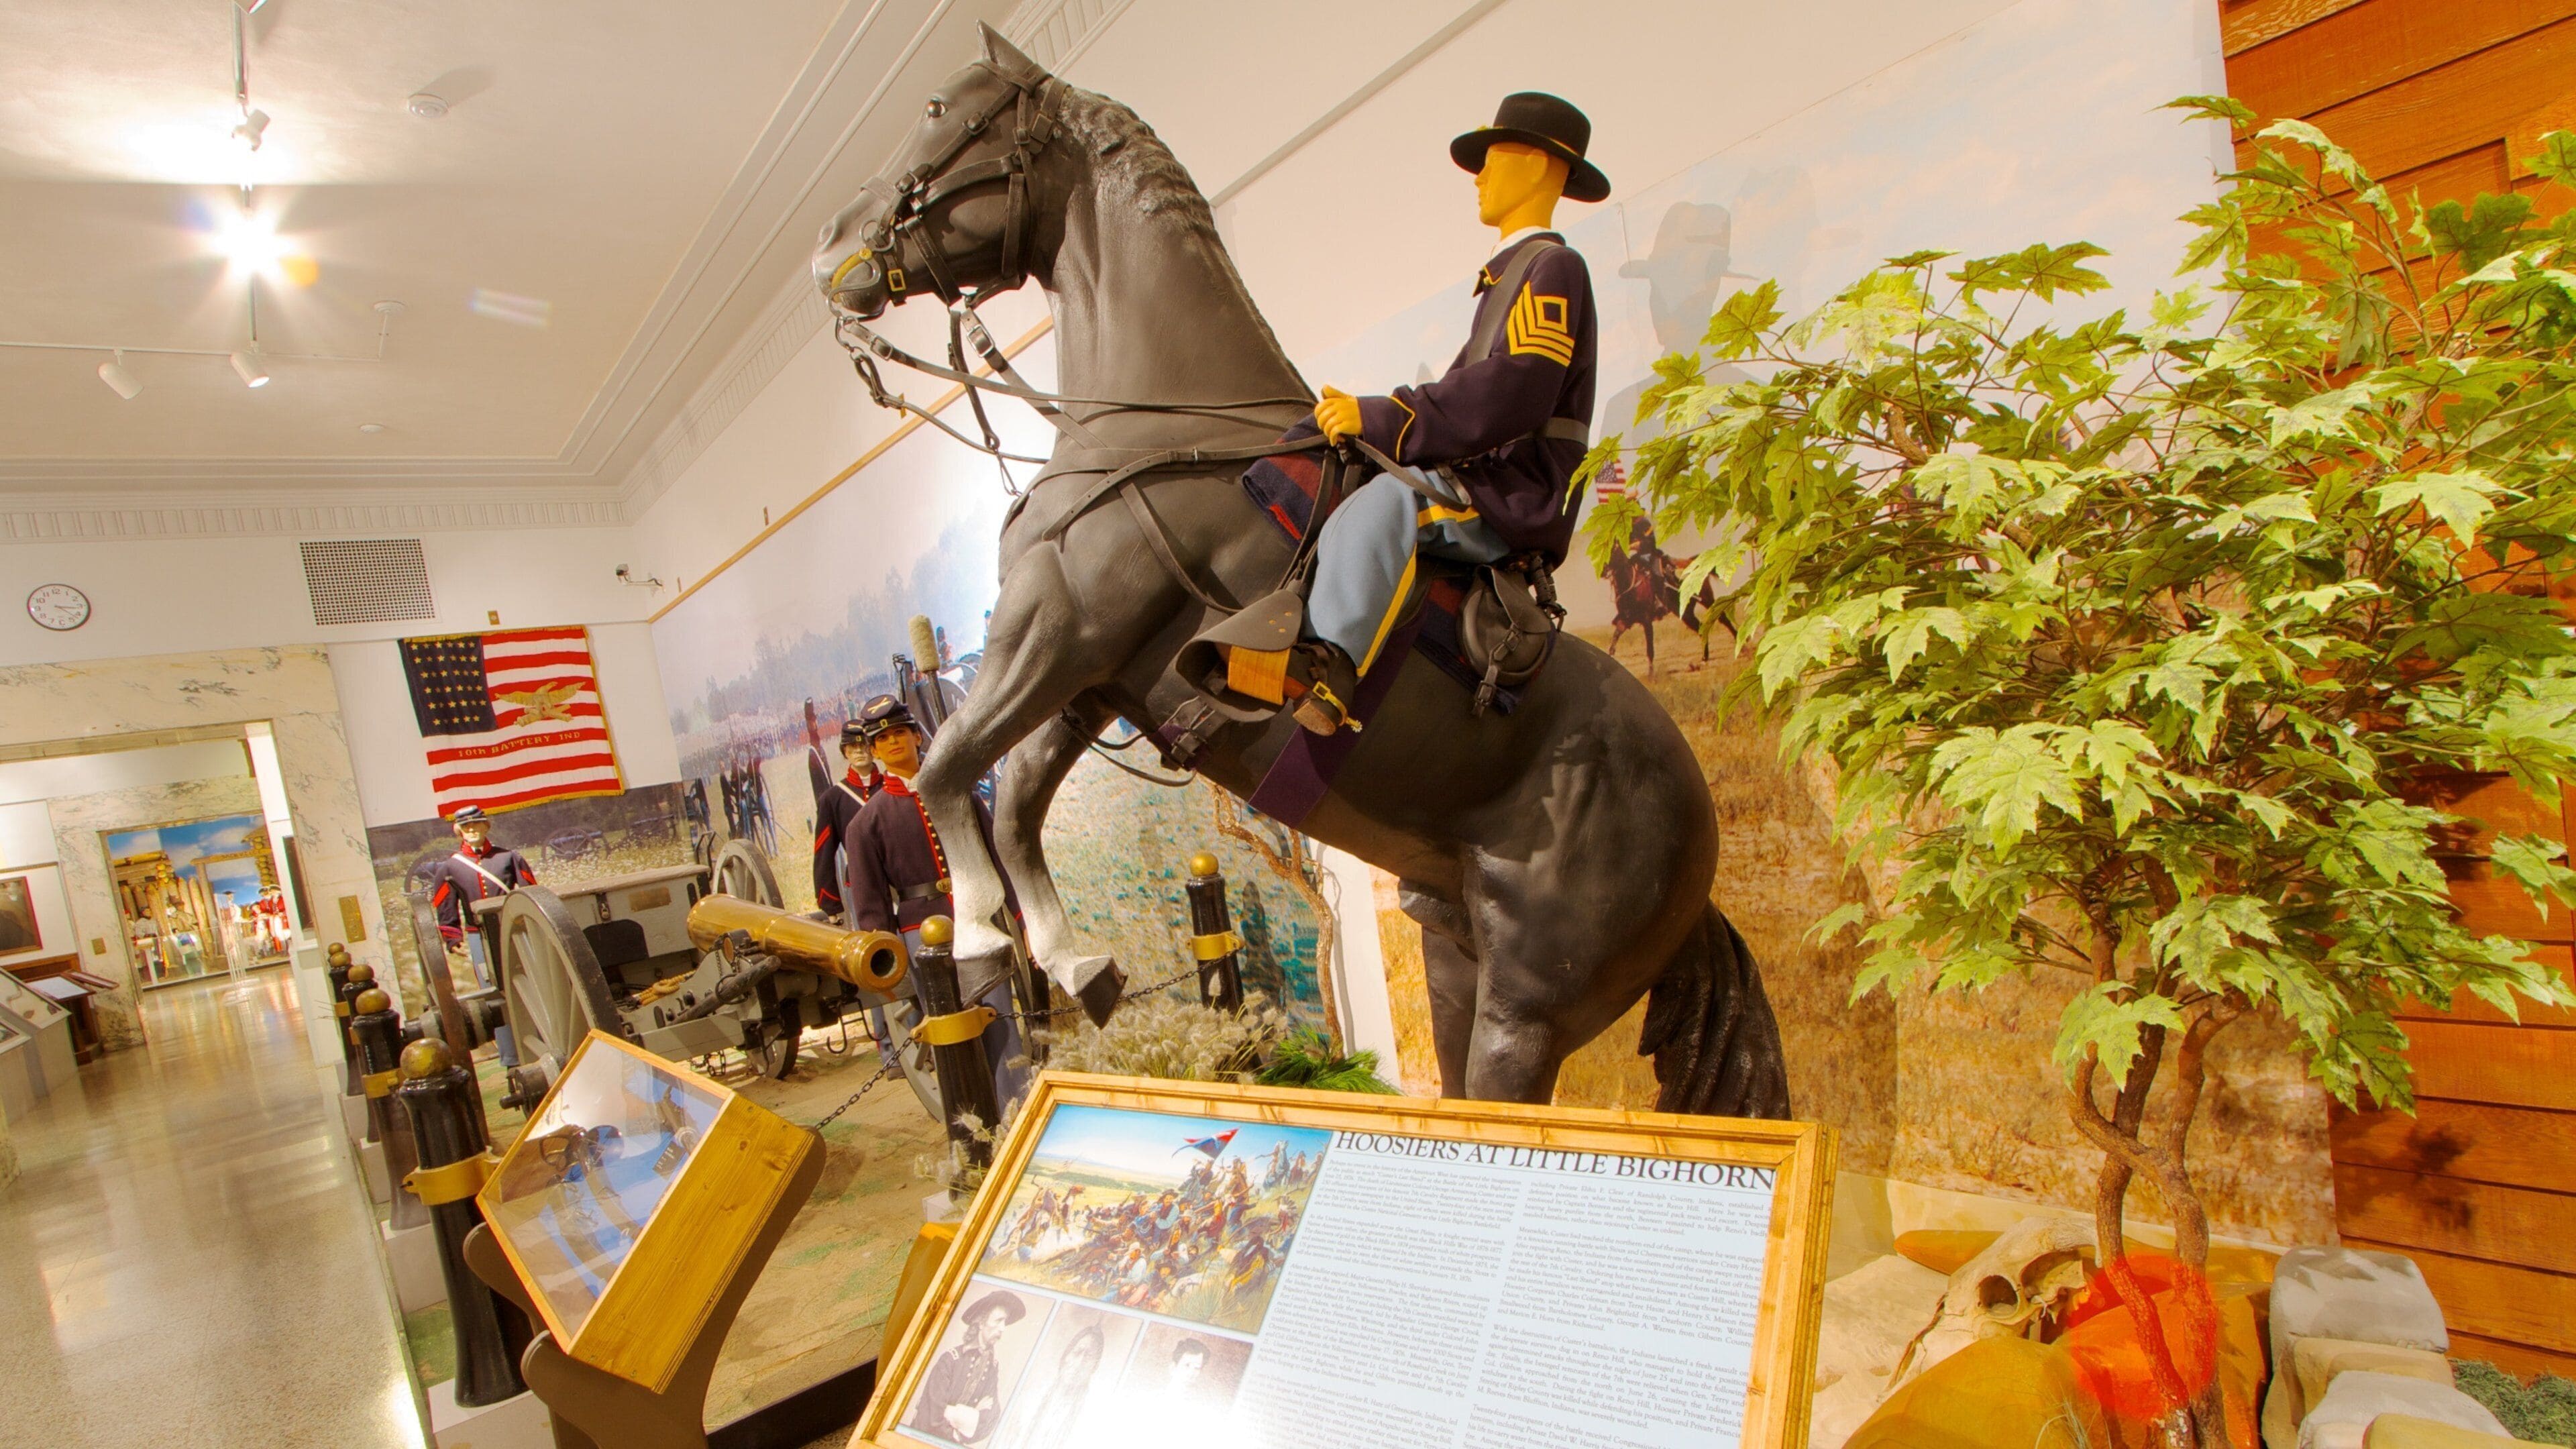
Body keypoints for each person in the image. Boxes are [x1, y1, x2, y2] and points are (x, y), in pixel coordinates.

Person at [1259, 92, 1607, 735]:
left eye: (1493, 159)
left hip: (1512, 492)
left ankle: (1330, 670)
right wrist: (1362, 426)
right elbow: (1468, 392)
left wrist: (1385, 418)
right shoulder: (1510, 276)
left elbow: (1515, 390)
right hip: (1486, 477)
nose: (1479, 177)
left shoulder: (1553, 267)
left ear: (1535, 166)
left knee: (1391, 503)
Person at [841, 694, 1032, 1108]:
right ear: (873, 751)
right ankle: (975, 1122)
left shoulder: (958, 797)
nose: (893, 743)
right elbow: (873, 908)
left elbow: (998, 861)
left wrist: (1023, 919)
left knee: (1001, 1021)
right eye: (883, 739)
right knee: (952, 1033)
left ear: (915, 735)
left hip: (975, 920)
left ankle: (1019, 1112)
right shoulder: (865, 824)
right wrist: (889, 967)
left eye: (899, 733)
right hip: (922, 938)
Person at [425, 805, 537, 987]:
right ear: (459, 832)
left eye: (476, 824)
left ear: (486, 826)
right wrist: (453, 937)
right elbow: (446, 905)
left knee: (527, 975)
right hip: (478, 933)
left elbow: (531, 891)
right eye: (465, 827)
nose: (471, 829)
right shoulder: (451, 867)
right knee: (488, 982)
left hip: (513, 927)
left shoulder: (509, 857)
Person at [908, 1291, 1026, 1444]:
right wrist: (969, 1418)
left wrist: (952, 1413)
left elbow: (990, 1417)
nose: (1002, 1328)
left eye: (1005, 1322)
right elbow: (933, 1417)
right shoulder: (950, 1360)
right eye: (998, 1321)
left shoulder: (992, 1368)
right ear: (981, 1322)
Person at [808, 716, 880, 920]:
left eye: (864, 744)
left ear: (874, 749)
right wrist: (830, 904)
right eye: (852, 746)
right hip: (861, 885)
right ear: (845, 752)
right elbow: (824, 854)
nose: (859, 750)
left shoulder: (890, 787)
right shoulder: (833, 799)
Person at [995, 1322, 1107, 1449]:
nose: (1079, 1363)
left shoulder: (1091, 1418)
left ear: (1095, 1367)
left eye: (1089, 1357)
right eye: (1077, 1352)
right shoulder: (1030, 1401)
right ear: (1066, 1356)